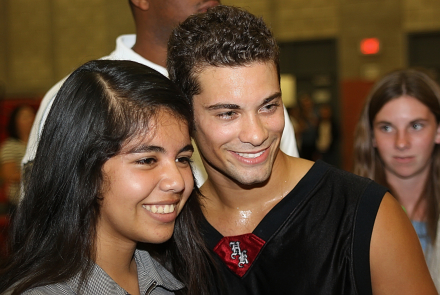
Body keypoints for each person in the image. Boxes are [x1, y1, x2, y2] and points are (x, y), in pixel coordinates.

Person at [167, 5, 437, 294]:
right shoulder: (169, 229)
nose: (257, 134)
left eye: (268, 106)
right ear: (185, 117)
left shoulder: (367, 214)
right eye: (228, 114)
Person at [22, 0, 298, 187]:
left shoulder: (257, 95)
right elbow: (46, 226)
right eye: (227, 113)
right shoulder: (79, 95)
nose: (254, 134)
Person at [0, 60, 219, 295]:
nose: (178, 182)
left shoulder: (176, 276)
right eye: (147, 160)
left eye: (182, 159)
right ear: (85, 169)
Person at [353, 68, 440, 290]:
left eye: (416, 126)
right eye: (387, 128)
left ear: (438, 130)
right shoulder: (350, 211)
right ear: (371, 135)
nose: (402, 143)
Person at [0, 105, 35, 213]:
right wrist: (39, 173)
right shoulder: (9, 146)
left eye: (32, 116)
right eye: (25, 117)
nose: (30, 120)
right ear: (15, 122)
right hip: (19, 202)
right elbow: (8, 174)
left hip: (40, 198)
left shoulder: (40, 144)